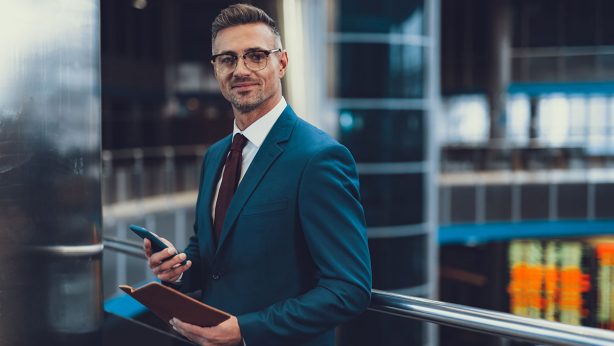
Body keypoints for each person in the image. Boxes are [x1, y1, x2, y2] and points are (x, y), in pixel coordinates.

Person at [143, 4, 371, 345]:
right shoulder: (216, 155)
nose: (241, 69)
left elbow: (349, 288)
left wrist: (246, 331)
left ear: (281, 63)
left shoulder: (319, 158)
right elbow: (212, 255)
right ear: (216, 69)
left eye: (256, 55)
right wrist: (178, 270)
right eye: (228, 59)